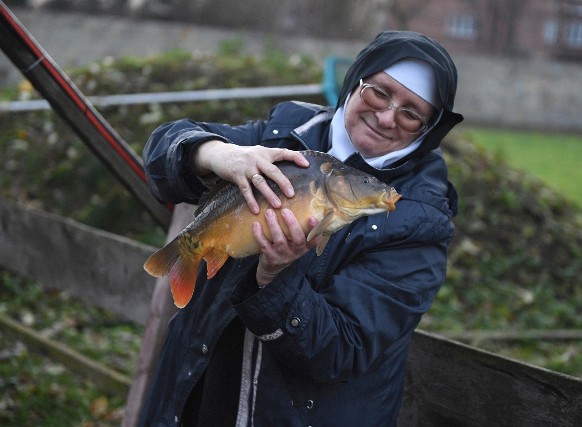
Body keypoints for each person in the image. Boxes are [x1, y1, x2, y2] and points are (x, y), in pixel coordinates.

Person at [139, 30, 463, 426]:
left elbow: (342, 350)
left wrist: (276, 276)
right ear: (356, 81)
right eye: (379, 92)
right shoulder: (286, 133)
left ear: (427, 130)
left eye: (411, 113)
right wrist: (217, 153)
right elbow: (160, 153)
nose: (385, 117)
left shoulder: (421, 221)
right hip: (195, 395)